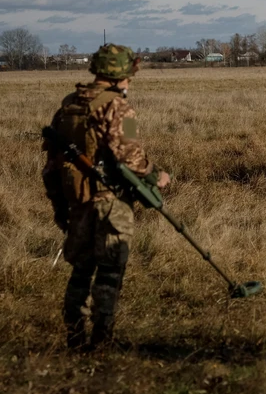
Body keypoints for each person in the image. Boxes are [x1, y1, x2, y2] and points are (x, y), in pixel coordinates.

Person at [41, 44, 170, 350]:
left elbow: (51, 167)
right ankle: (101, 341)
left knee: (80, 272)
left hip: (78, 202)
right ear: (120, 75)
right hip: (110, 203)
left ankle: (74, 338)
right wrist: (157, 176)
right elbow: (131, 159)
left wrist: (61, 205)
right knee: (110, 273)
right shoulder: (117, 107)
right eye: (129, 74)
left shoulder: (69, 106)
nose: (130, 80)